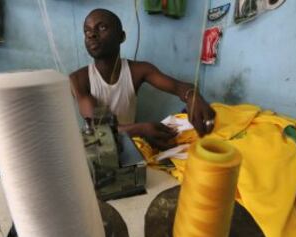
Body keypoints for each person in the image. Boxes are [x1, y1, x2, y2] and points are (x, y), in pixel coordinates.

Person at [70, 9, 215, 149]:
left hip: (131, 146)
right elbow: (99, 128)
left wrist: (192, 95)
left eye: (101, 27)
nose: (91, 35)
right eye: (87, 31)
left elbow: (179, 87)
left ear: (121, 37)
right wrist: (140, 129)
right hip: (97, 150)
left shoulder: (139, 70)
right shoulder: (78, 79)